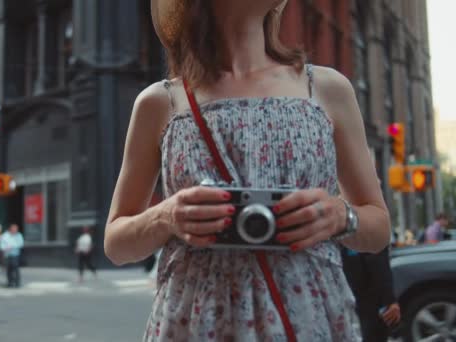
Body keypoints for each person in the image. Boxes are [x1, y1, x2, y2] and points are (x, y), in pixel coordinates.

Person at [103, 0, 391, 340]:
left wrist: (340, 216)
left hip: (308, 321)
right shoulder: (159, 102)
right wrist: (167, 216)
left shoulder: (327, 89)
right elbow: (115, 242)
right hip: (197, 324)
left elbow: (379, 228)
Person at [342, 246, 400, 341]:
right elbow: (379, 266)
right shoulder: (372, 236)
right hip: (373, 297)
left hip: (356, 294)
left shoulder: (346, 238)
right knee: (375, 334)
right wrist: (390, 300)